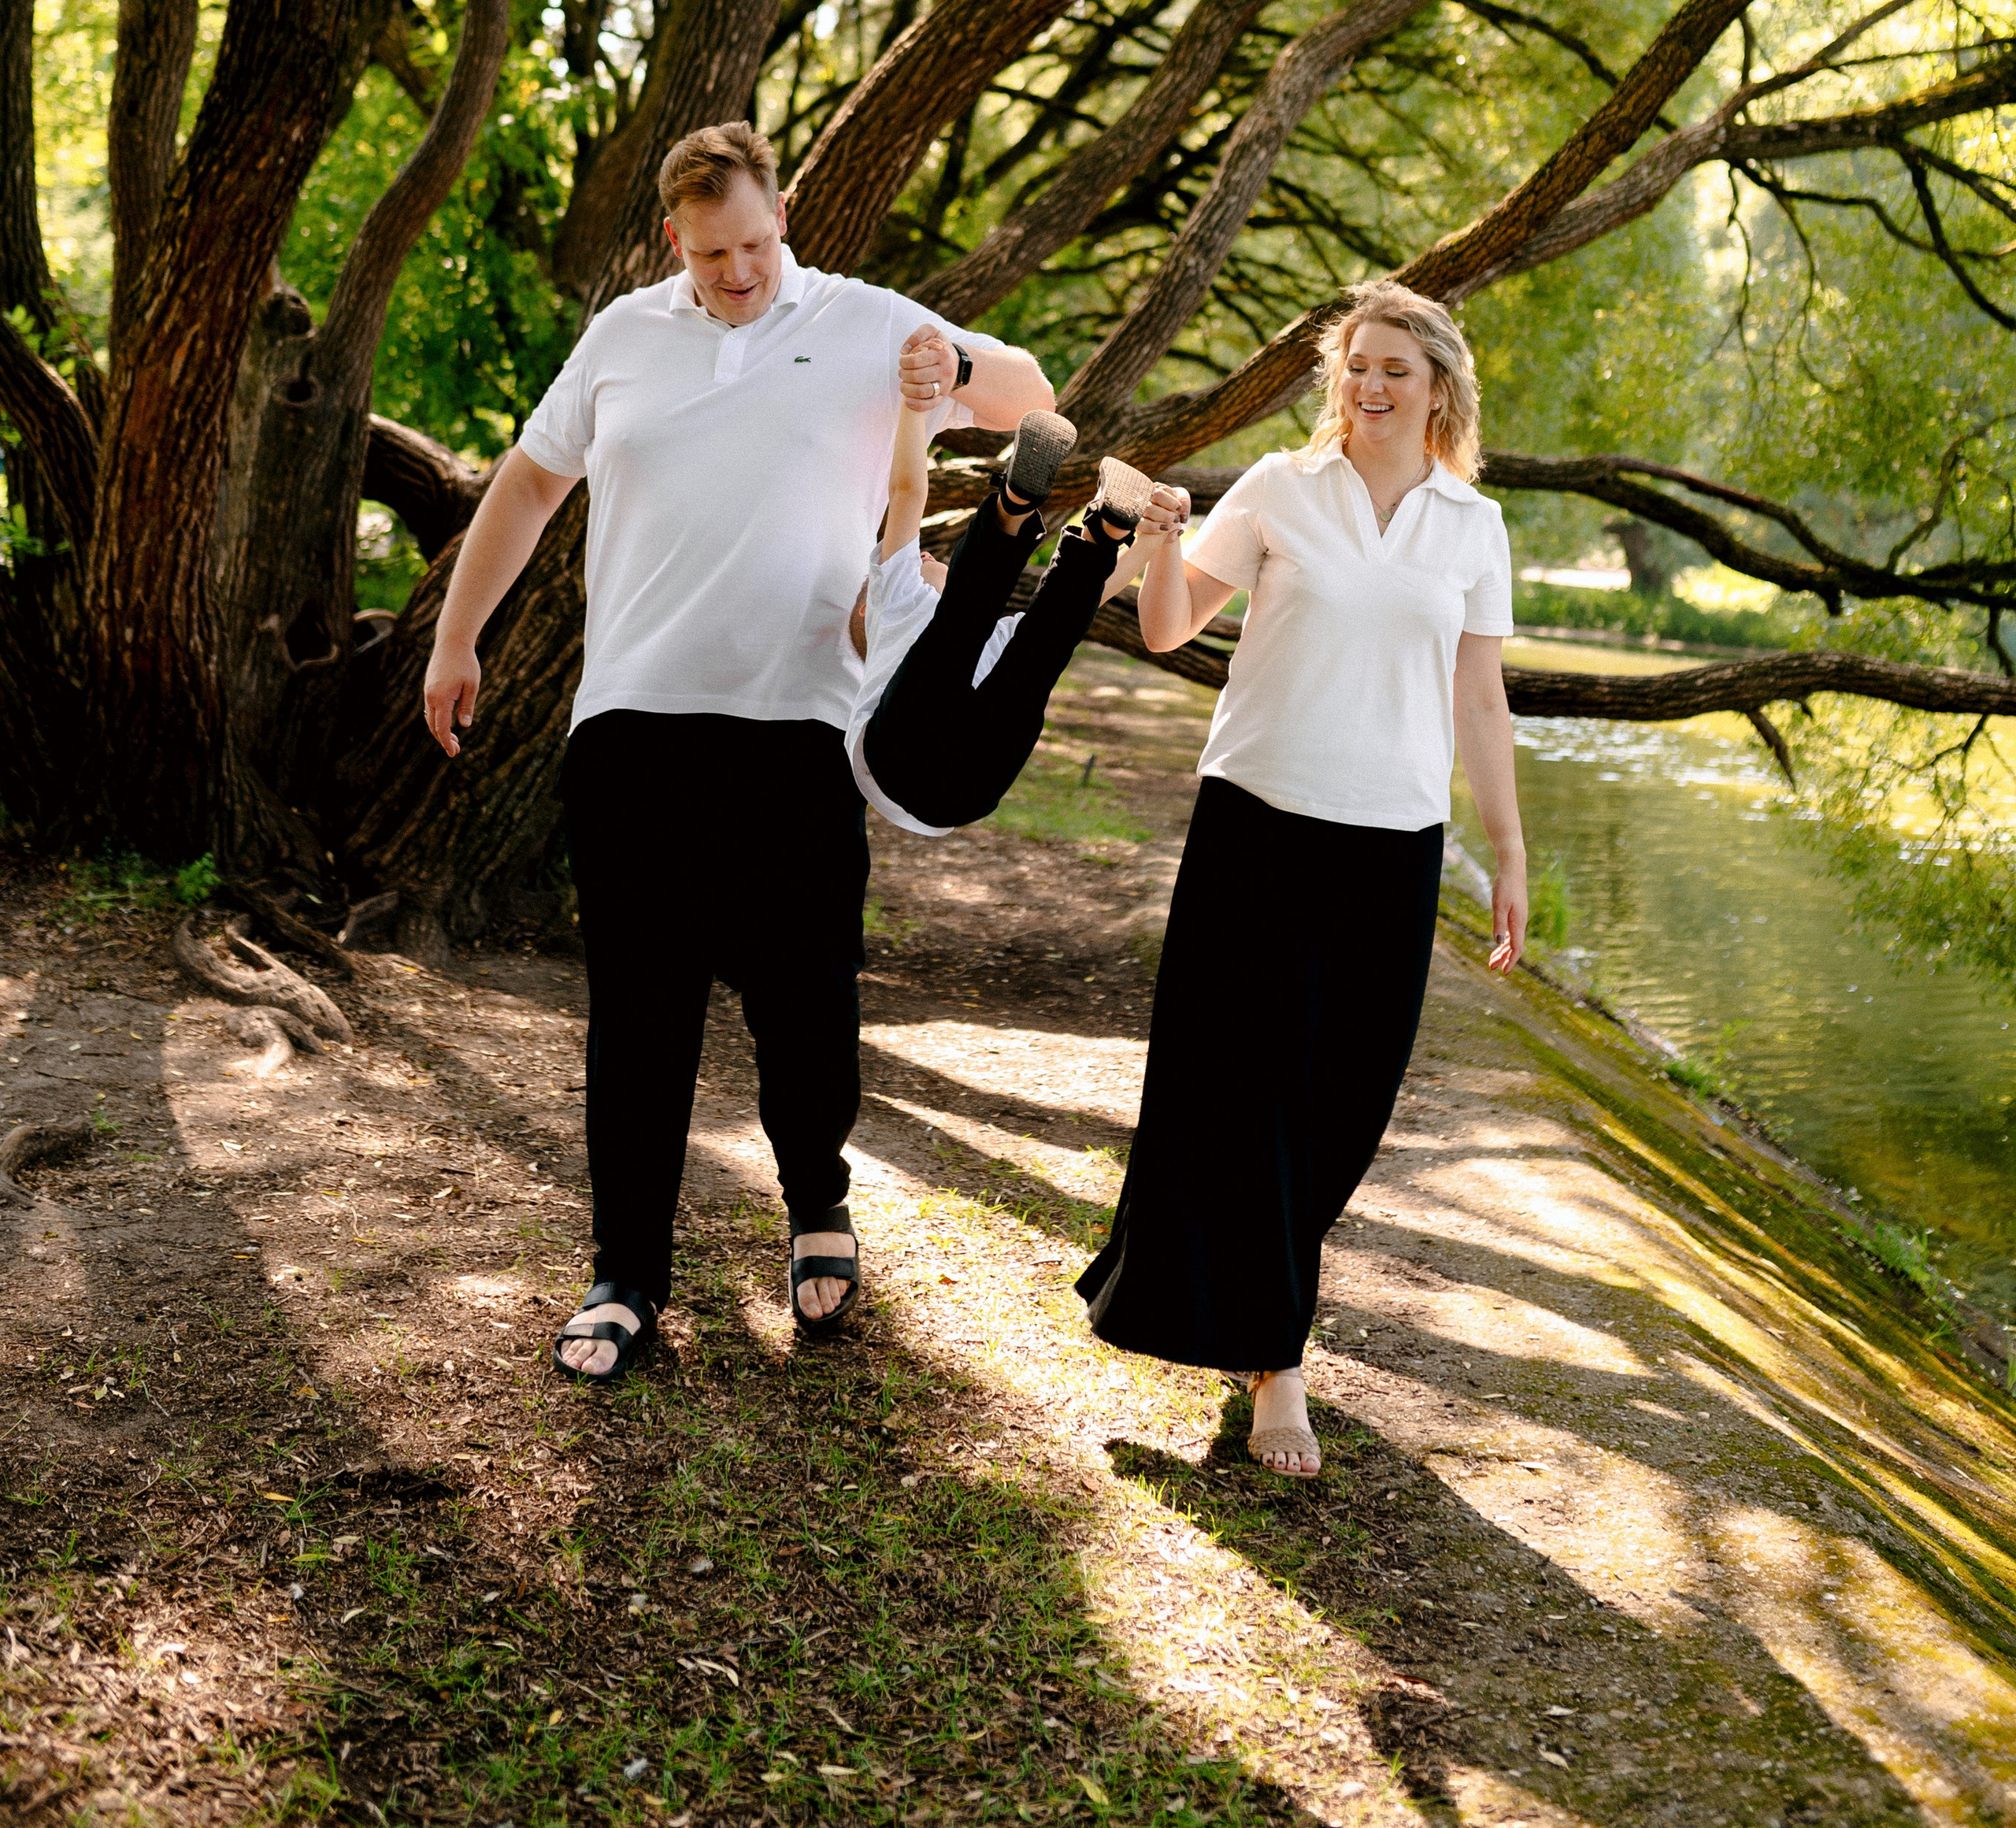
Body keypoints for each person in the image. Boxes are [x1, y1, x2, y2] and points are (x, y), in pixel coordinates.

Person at [421, 121, 1054, 1380]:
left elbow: (1033, 400)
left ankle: (817, 1201)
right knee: (638, 1016)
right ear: (677, 239)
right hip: (633, 727)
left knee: (805, 1008)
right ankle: (624, 1276)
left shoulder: (867, 320)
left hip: (798, 728)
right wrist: (456, 639)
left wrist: (959, 356)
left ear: (783, 222)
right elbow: (531, 485)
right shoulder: (624, 340)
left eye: (759, 244)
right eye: (715, 254)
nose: (741, 271)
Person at [1075, 278, 1528, 1478]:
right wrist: (1161, 546)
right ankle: (1280, 1365)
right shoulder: (1281, 488)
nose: (1372, 387)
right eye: (1358, 366)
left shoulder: (1471, 527)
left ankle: (1257, 1316)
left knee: (1341, 1113)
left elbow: (1478, 698)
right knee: (1238, 1090)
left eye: (1397, 371)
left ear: (1439, 392)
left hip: (1391, 843)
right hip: (1257, 824)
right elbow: (1170, 630)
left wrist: (1511, 856)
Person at [848, 400, 1186, 837]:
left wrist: (1142, 542)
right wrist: (914, 408)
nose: (924, 552)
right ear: (866, 607)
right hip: (917, 764)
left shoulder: (902, 605)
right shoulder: (895, 599)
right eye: (921, 556)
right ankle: (1046, 516)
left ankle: (1052, 515)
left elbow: (1073, 608)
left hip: (957, 788)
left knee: (1019, 643)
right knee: (1012, 641)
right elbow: (909, 494)